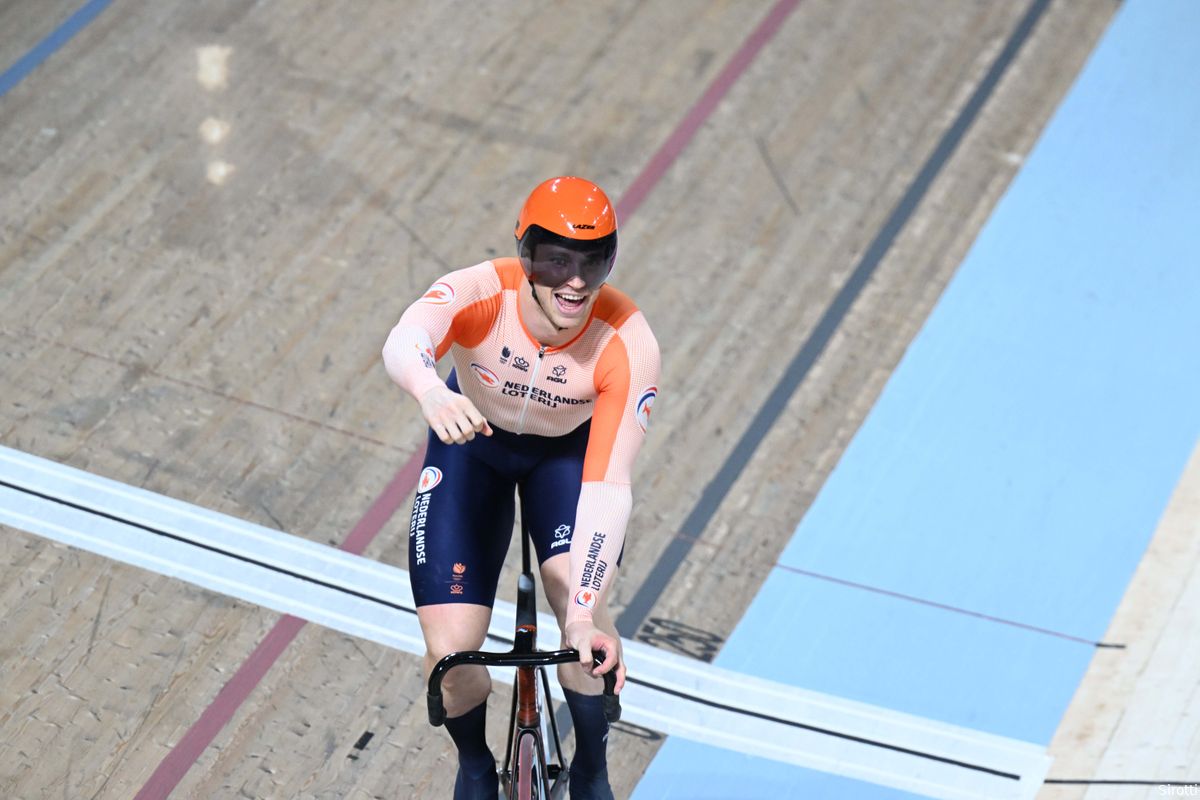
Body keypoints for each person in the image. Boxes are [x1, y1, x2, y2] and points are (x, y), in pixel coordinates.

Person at [382, 176, 660, 800]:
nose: (575, 282)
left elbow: (609, 487)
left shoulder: (627, 341)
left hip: (566, 461)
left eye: (593, 262)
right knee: (450, 655)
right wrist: (430, 391)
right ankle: (476, 763)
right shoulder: (483, 291)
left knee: (583, 628)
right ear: (525, 254)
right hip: (472, 445)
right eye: (556, 260)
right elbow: (405, 339)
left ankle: (592, 766)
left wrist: (582, 617)